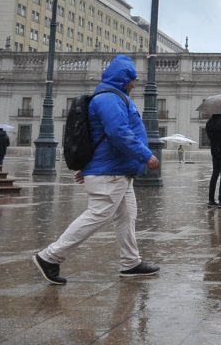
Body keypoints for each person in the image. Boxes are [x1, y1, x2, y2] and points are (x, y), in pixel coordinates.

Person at [33, 54, 161, 285]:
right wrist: (146, 155)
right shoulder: (110, 99)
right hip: (111, 172)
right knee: (98, 214)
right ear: (124, 79)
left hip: (117, 170)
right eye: (132, 80)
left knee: (127, 216)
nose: (134, 84)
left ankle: (130, 263)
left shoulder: (113, 97)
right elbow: (118, 133)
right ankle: (50, 256)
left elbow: (101, 137)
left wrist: (89, 167)